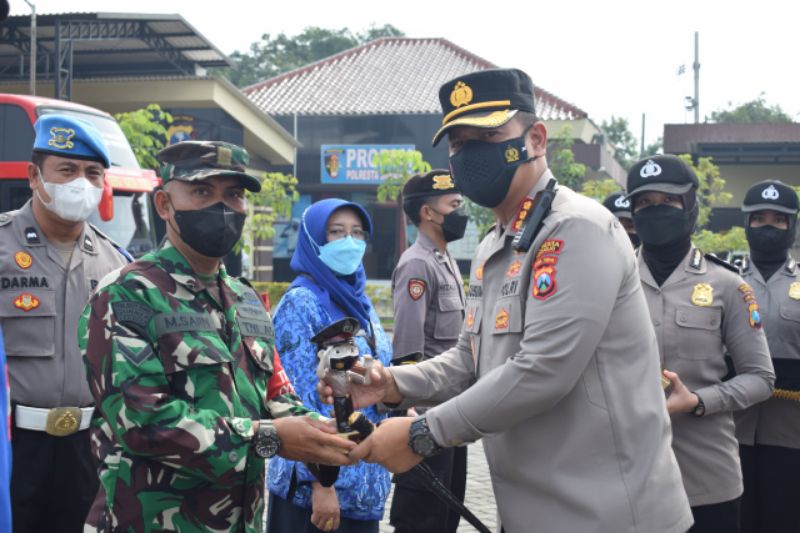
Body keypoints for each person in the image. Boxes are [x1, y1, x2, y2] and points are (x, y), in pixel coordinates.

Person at [326, 68, 693, 533]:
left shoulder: (575, 228)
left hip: (608, 514)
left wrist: (422, 433)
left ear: (536, 139)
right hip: (533, 510)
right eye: (458, 144)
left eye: (487, 135)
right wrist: (391, 383)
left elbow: (544, 368)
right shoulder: (495, 245)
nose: (470, 154)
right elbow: (468, 359)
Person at [79, 141, 356, 532]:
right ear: (163, 205)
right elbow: (144, 424)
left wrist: (327, 432)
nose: (222, 208)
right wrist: (270, 438)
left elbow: (275, 396)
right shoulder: (127, 295)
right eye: (202, 192)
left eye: (234, 195)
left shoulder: (245, 299)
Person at [626, 155, 775, 533]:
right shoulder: (614, 279)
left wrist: (699, 401)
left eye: (668, 201)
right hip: (625, 474)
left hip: (706, 478)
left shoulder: (728, 285)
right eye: (644, 203)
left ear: (690, 207)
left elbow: (760, 378)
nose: (655, 210)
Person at [0, 114, 132, 533]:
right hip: (12, 446)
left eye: (93, 173)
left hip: (89, 447)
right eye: (68, 170)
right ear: (34, 177)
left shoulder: (117, 263)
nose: (81, 182)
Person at [267, 198, 392, 533]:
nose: (349, 242)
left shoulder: (361, 303)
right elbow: (298, 401)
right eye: (336, 232)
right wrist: (322, 484)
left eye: (357, 233)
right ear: (314, 240)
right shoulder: (300, 303)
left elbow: (378, 374)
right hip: (318, 494)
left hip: (365, 484)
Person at [389, 170, 468, 533]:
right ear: (428, 212)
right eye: (453, 205)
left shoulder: (444, 259)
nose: (460, 212)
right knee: (422, 520)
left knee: (447, 516)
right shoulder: (417, 263)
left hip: (452, 414)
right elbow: (407, 348)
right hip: (425, 417)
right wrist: (411, 415)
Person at [735, 179, 800, 533]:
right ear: (747, 225)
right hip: (731, 427)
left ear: (792, 225)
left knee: (784, 518)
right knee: (737, 518)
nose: (768, 226)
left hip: (791, 431)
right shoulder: (724, 280)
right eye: (759, 219)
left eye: (778, 219)